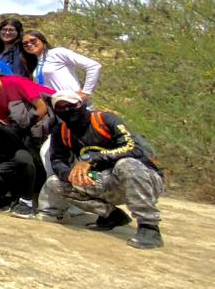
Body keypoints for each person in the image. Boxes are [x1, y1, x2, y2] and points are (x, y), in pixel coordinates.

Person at [39, 91, 165, 249]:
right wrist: (69, 175)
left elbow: (134, 148)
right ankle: (111, 216)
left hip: (143, 178)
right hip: (104, 180)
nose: (67, 111)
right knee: (55, 183)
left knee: (125, 164)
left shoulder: (105, 119)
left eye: (71, 106)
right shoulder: (61, 131)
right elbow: (58, 161)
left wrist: (92, 159)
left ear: (81, 104)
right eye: (61, 108)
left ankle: (149, 227)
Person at [0, 63, 52, 218]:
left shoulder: (14, 81)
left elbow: (41, 107)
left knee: (27, 157)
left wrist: (27, 128)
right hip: (26, 133)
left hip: (47, 128)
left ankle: (30, 200)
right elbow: (5, 122)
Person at [21, 29, 102, 98]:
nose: (29, 44)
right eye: (25, 44)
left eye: (33, 40)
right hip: (55, 106)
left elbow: (94, 66)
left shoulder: (57, 53)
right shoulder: (36, 63)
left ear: (42, 40)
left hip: (73, 104)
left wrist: (86, 92)